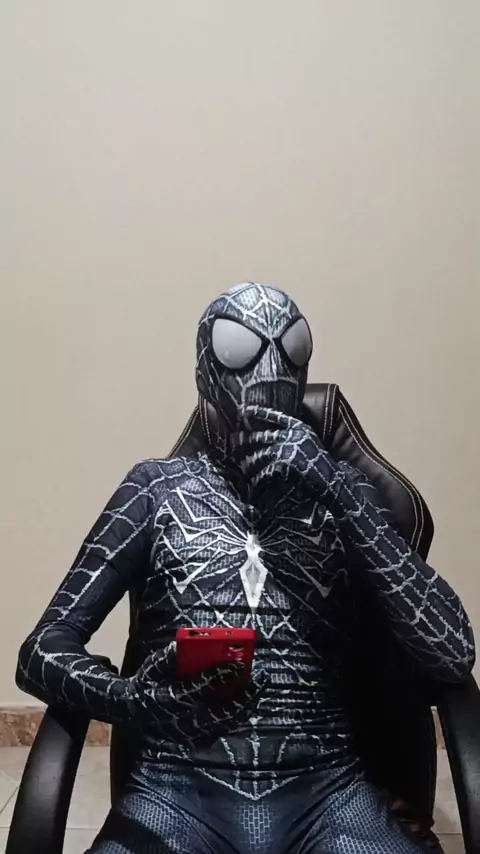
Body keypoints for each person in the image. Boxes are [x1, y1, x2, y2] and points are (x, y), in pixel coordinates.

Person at [16, 282, 474, 854]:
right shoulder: (156, 490)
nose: (272, 371)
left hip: (328, 792)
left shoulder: (345, 493)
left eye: (291, 348)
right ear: (206, 372)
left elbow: (452, 654)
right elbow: (40, 652)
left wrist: (334, 489)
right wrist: (131, 700)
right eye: (241, 349)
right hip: (173, 789)